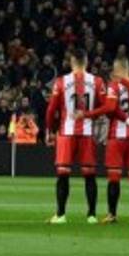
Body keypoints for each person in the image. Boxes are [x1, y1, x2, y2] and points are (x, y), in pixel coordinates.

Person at [80, 53, 129, 223]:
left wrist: (89, 114)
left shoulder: (114, 86)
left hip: (116, 137)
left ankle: (112, 214)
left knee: (114, 177)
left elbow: (111, 108)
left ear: (118, 69)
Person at [44, 48, 106, 224]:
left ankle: (61, 215)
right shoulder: (97, 81)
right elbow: (106, 107)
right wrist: (92, 116)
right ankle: (92, 215)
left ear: (72, 62)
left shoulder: (61, 82)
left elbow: (51, 110)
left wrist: (50, 131)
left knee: (63, 174)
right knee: (90, 175)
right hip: (87, 134)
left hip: (66, 133)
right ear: (86, 62)